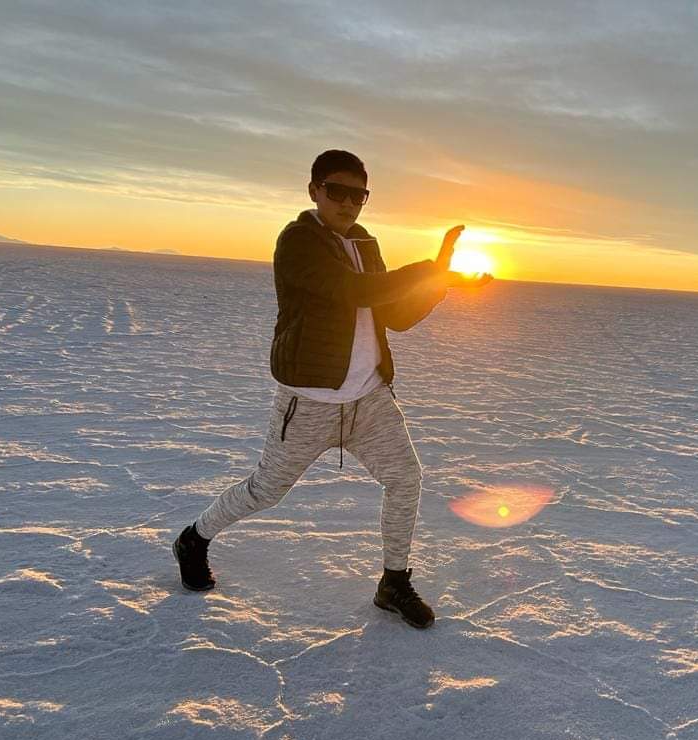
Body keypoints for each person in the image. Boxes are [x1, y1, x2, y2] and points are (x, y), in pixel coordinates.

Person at [172, 149, 492, 629]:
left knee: (405, 479)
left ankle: (393, 582)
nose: (348, 203)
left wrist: (438, 285)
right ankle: (194, 539)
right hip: (309, 401)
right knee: (266, 490)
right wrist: (433, 268)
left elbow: (396, 315)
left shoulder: (365, 243)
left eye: (358, 195)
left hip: (369, 399)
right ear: (314, 191)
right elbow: (354, 291)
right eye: (336, 191)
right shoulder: (298, 241)